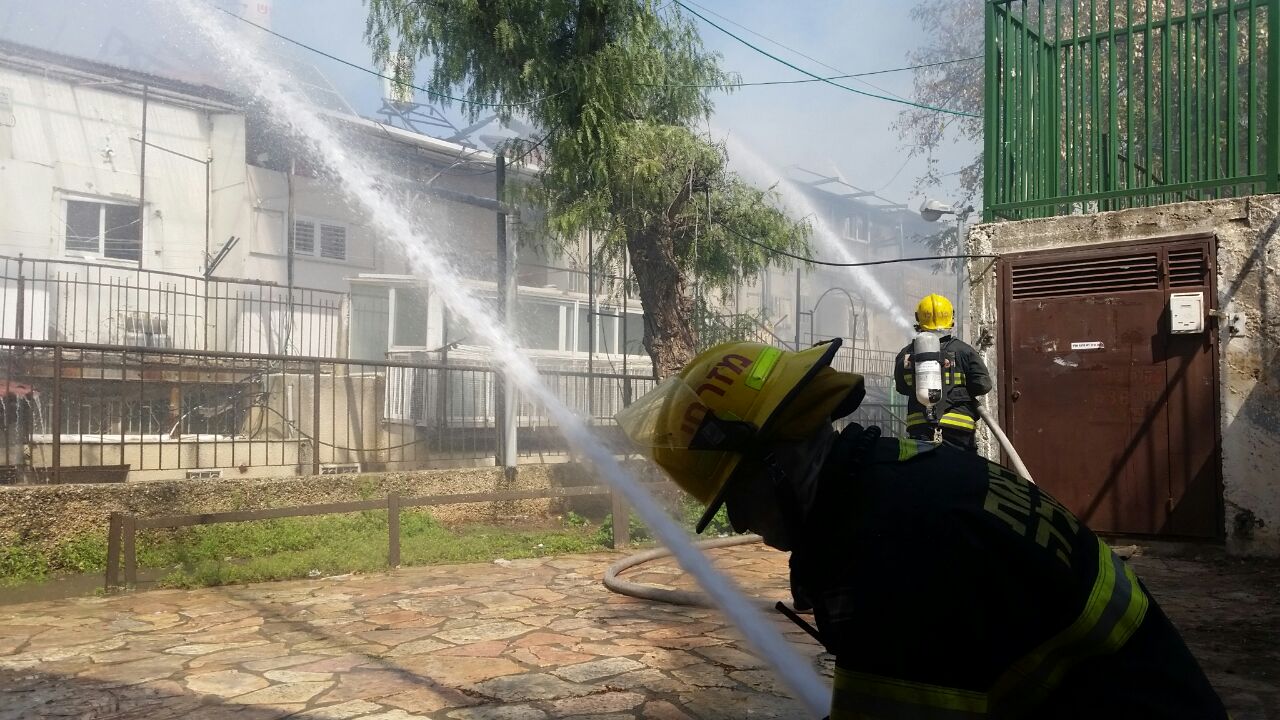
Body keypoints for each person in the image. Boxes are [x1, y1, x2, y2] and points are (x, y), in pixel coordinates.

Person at [617, 338, 1226, 719]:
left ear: (776, 463)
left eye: (737, 497)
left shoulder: (885, 551)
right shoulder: (909, 478)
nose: (742, 521)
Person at [895, 293, 992, 452]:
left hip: (920, 427)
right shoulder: (964, 351)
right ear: (951, 319)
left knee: (926, 472)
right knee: (960, 472)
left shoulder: (905, 354)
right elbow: (983, 385)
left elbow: (901, 387)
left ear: (918, 319)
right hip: (959, 426)